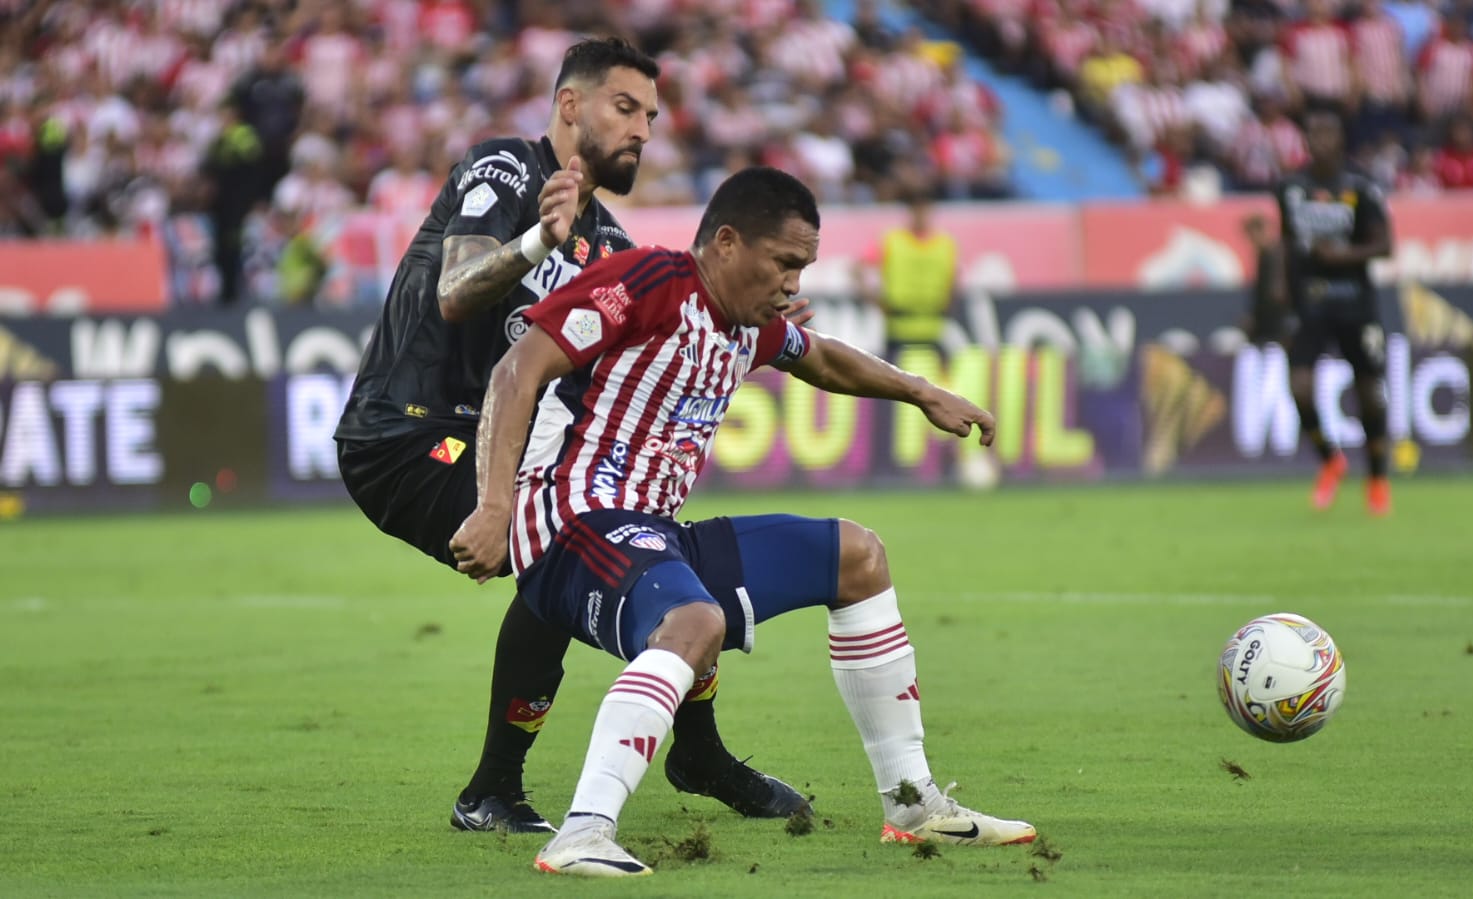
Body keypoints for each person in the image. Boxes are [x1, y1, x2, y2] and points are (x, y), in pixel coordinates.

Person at [449, 166, 1036, 877]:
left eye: (803, 268)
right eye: (784, 263)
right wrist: (492, 505)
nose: (792, 284)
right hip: (574, 521)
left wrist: (921, 392)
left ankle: (912, 803)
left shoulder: (742, 325)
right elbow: (518, 368)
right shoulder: (649, 281)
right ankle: (582, 829)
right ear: (726, 242)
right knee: (695, 622)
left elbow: (816, 356)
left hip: (653, 531)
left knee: (858, 556)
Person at [333, 38, 806, 836]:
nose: (643, 131)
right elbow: (454, 292)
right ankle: (546, 779)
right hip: (409, 434)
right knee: (570, 531)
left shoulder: (611, 244)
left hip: (505, 440)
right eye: (626, 108)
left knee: (626, 530)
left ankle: (651, 758)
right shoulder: (505, 172)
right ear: (570, 105)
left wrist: (754, 313)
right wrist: (536, 243)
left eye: (651, 116)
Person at [1273, 110, 1394, 516]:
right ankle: (1330, 458)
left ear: (1342, 140)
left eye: (1329, 133)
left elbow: (1385, 245)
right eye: (1314, 133)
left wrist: (1343, 255)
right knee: (1299, 388)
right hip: (1310, 302)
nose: (1321, 141)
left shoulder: (1361, 186)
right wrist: (1282, 291)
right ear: (1305, 141)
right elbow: (1287, 244)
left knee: (1370, 396)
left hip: (1355, 302)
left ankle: (1377, 477)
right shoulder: (1290, 187)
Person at [858, 191, 959, 361]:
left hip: (934, 327)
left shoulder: (945, 243)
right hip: (898, 327)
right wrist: (874, 299)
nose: (920, 215)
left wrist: (949, 301)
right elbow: (859, 269)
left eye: (924, 210)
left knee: (934, 383)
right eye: (917, 210)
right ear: (910, 212)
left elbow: (953, 279)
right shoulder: (892, 239)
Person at [1240, 212, 1288, 346]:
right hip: (1269, 319)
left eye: (1251, 235)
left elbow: (1276, 291)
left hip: (1277, 320)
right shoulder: (1265, 255)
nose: (1251, 241)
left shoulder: (1275, 254)